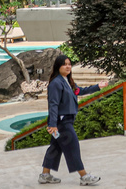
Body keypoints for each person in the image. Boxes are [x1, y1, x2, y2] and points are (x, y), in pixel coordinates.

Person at [38, 55, 101, 185]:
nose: (68, 66)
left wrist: (98, 86)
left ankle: (45, 175)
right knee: (73, 147)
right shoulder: (56, 83)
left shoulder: (68, 81)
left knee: (55, 148)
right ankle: (84, 177)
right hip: (62, 122)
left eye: (69, 64)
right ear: (58, 67)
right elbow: (53, 104)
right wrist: (53, 124)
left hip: (66, 120)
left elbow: (80, 91)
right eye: (64, 64)